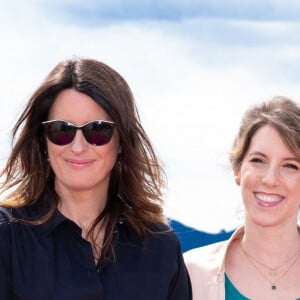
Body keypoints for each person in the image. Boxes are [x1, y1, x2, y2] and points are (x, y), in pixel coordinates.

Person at [0, 58, 192, 300]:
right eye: (61, 130)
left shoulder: (160, 247)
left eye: (97, 130)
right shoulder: (7, 237)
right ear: (42, 141)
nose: (78, 147)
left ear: (122, 141)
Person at [184, 96, 300, 300]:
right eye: (258, 160)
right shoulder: (190, 275)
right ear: (238, 169)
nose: (271, 179)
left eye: (290, 165)